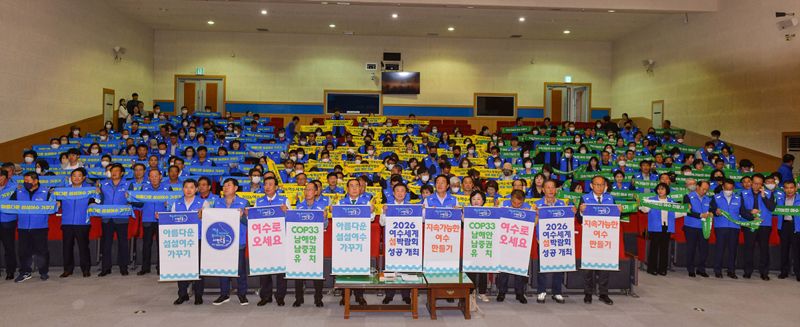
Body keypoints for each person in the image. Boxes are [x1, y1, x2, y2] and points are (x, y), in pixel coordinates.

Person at [168, 179, 211, 305]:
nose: (188, 190)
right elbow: (171, 220)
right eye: (186, 187)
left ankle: (198, 295)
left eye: (191, 187)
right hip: (181, 239)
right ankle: (182, 294)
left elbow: (209, 221)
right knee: (181, 267)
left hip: (197, 238)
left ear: (196, 189)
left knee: (198, 268)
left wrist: (204, 215)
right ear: (182, 189)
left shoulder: (204, 203)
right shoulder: (177, 203)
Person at [533, 179, 574, 304]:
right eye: (548, 187)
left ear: (556, 190)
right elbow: (532, 224)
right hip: (543, 241)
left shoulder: (562, 204)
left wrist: (573, 213)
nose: (550, 190)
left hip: (558, 241)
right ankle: (541, 291)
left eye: (553, 187)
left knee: (559, 266)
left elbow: (569, 223)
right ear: (543, 190)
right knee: (542, 268)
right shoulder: (537, 204)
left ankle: (557, 292)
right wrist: (537, 215)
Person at [578, 176, 616, 305]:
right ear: (591, 186)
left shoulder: (610, 198)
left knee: (605, 266)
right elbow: (579, 218)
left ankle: (603, 293)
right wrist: (581, 212)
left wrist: (619, 212)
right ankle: (588, 293)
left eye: (602, 185)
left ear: (605, 186)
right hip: (590, 238)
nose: (599, 187)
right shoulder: (585, 198)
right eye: (597, 184)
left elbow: (613, 218)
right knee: (589, 267)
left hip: (605, 238)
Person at [212, 178, 251, 306]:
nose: (225, 187)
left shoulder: (244, 202)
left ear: (235, 188)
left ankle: (242, 294)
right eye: (224, 185)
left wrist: (243, 217)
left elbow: (250, 222)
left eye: (229, 185)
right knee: (223, 268)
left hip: (238, 241)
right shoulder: (217, 203)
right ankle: (224, 294)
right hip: (222, 240)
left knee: (240, 270)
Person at [253, 176, 290, 306]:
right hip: (264, 241)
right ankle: (266, 296)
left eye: (270, 184)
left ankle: (280, 296)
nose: (267, 187)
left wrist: (287, 212)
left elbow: (290, 219)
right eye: (266, 184)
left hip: (280, 241)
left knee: (281, 271)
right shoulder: (259, 201)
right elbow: (254, 220)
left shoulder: (284, 200)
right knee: (264, 269)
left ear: (276, 187)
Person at [337, 179, 374, 306]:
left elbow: (372, 218)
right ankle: (344, 296)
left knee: (360, 268)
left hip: (360, 241)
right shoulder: (340, 202)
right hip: (345, 241)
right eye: (351, 186)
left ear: (360, 188)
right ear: (347, 189)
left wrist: (372, 211)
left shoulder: (366, 202)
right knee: (344, 268)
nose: (354, 188)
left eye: (356, 186)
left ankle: (359, 295)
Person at [12, 172, 52, 282]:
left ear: (35, 181)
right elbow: (9, 205)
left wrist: (56, 203)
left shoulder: (46, 192)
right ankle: (25, 272)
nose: (26, 183)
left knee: (42, 251)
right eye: (24, 181)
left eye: (28, 181)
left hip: (40, 226)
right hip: (23, 227)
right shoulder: (18, 191)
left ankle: (43, 272)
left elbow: (53, 206)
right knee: (23, 251)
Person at [294, 182, 327, 307]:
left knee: (317, 272)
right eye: (306, 189)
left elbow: (325, 226)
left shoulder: (321, 207)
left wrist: (324, 218)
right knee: (299, 271)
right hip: (301, 243)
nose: (308, 192)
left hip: (315, 244)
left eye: (310, 189)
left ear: (316, 192)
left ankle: (318, 298)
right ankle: (298, 298)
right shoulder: (298, 207)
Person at [495, 189, 530, 303]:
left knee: (519, 270)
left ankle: (520, 293)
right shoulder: (503, 205)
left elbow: (533, 224)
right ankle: (501, 292)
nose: (516, 206)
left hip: (520, 244)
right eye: (513, 203)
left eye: (519, 204)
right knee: (503, 271)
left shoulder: (528, 207)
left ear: (523, 201)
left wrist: (534, 214)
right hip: (505, 243)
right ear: (510, 199)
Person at [97, 164, 133, 277]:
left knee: (123, 243)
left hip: (121, 218)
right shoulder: (103, 184)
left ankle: (124, 267)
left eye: (117, 171)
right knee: (106, 244)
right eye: (112, 171)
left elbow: (132, 200)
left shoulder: (128, 184)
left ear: (122, 173)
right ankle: (105, 268)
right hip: (107, 218)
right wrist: (97, 192)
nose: (114, 173)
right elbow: (99, 200)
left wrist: (129, 199)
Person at [640, 183, 682, 276]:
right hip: (655, 227)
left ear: (667, 190)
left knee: (664, 249)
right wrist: (641, 204)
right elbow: (645, 210)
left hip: (666, 227)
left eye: (662, 189)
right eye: (658, 189)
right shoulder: (651, 200)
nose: (660, 191)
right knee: (654, 249)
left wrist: (685, 210)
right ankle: (652, 268)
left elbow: (676, 214)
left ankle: (663, 269)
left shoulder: (671, 201)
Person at [58, 168, 94, 278]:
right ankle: (67, 269)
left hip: (82, 222)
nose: (76, 178)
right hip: (67, 222)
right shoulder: (63, 190)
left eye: (79, 176)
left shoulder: (90, 190)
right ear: (70, 178)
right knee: (67, 247)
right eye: (74, 176)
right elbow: (56, 201)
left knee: (83, 247)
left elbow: (96, 201)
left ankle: (86, 269)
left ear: (83, 178)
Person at [740, 174, 776, 280]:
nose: (757, 186)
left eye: (759, 184)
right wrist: (750, 213)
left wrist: (764, 196)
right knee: (748, 248)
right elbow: (741, 210)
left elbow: (771, 208)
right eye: (755, 183)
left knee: (764, 249)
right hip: (750, 224)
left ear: (762, 184)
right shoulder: (743, 193)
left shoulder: (769, 193)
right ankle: (747, 271)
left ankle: (764, 272)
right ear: (751, 182)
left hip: (764, 225)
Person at [135, 169, 171, 276]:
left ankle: (162, 268)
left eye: (156, 176)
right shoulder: (144, 188)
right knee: (146, 245)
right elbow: (139, 203)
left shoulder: (168, 188)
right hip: (147, 218)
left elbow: (174, 203)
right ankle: (145, 267)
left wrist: (167, 205)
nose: (154, 178)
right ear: (148, 178)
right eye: (151, 176)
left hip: (163, 219)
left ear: (160, 176)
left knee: (162, 245)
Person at [381, 183, 412, 305]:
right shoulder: (388, 206)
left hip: (406, 242)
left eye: (402, 191)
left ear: (406, 193)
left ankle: (406, 295)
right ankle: (389, 294)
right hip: (392, 242)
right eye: (397, 191)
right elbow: (382, 223)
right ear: (393, 193)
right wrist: (384, 212)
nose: (400, 193)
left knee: (406, 267)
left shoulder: (411, 207)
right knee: (390, 267)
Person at [709, 179, 746, 279]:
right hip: (721, 227)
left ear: (733, 188)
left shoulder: (739, 198)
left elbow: (743, 212)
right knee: (719, 249)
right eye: (727, 188)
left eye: (730, 188)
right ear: (723, 187)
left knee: (733, 250)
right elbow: (710, 209)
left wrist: (753, 217)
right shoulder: (716, 197)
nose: (728, 190)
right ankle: (717, 270)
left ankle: (731, 271)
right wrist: (715, 211)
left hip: (734, 227)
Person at [683, 180, 712, 278]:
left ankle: (701, 269)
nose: (704, 191)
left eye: (706, 190)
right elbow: (687, 211)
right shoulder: (688, 197)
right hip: (691, 226)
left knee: (704, 249)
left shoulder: (708, 199)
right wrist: (700, 215)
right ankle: (691, 269)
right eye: (703, 189)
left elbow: (711, 210)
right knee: (691, 248)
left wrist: (712, 213)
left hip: (704, 227)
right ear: (697, 187)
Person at [776, 180, 798, 279]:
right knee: (784, 250)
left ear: (795, 188)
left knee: (797, 251)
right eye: (787, 188)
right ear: (784, 189)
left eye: (791, 188)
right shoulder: (780, 198)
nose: (789, 190)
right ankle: (784, 272)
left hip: (797, 227)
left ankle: (798, 273)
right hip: (784, 226)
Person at [0, 170, 18, 280]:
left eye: (0, 176)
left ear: (6, 177)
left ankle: (10, 271)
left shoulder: (14, 187)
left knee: (9, 247)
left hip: (8, 220)